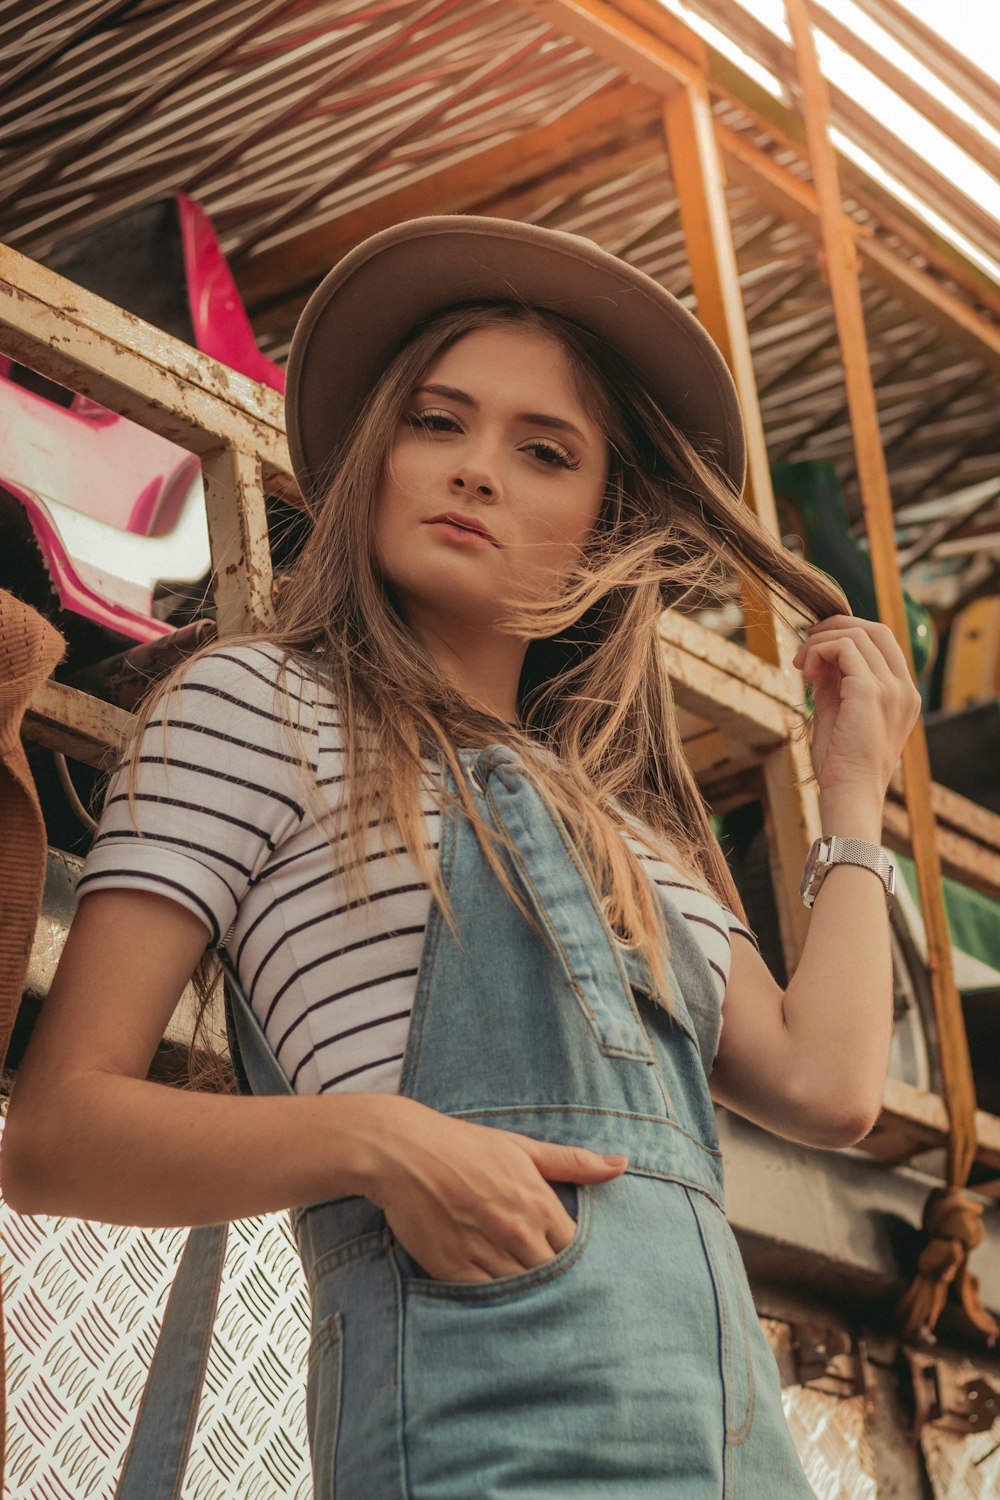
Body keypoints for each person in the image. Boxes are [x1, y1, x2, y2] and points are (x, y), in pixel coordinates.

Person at [3, 216, 920, 1497]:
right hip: (484, 1442)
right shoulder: (257, 705)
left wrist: (852, 793)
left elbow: (830, 1088)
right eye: (437, 423)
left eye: (543, 451)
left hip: (736, 1455)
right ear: (377, 455)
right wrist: (381, 1142)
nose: (475, 469)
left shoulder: (637, 830)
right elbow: (53, 1135)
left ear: (603, 533)